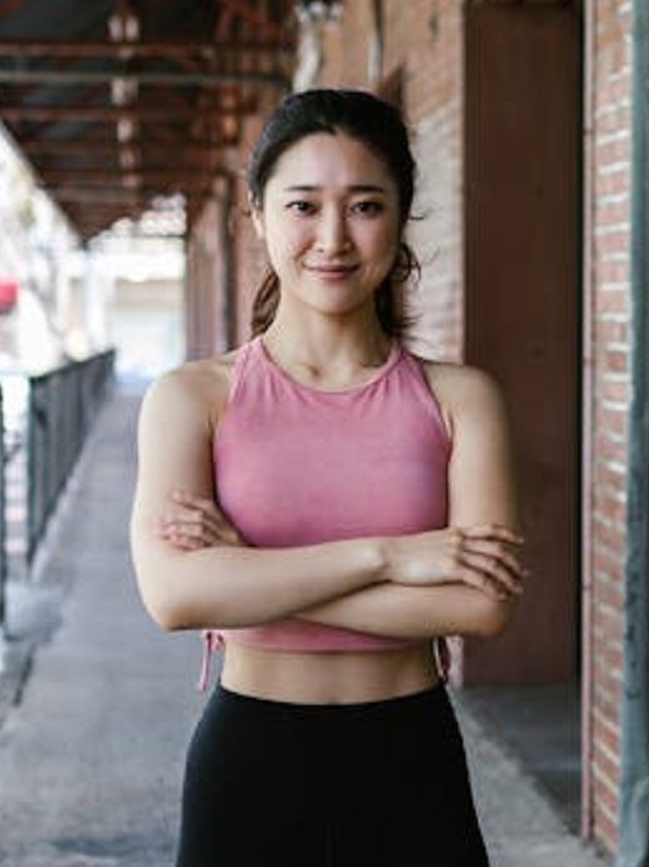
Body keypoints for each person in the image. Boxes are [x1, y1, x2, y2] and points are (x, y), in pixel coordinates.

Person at [129, 88, 527, 866]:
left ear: (402, 215)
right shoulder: (192, 399)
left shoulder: (460, 399)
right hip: (250, 765)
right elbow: (175, 595)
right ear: (258, 217)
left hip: (412, 764)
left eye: (366, 206)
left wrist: (246, 570)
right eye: (303, 205)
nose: (333, 238)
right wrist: (392, 555)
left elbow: (481, 604)